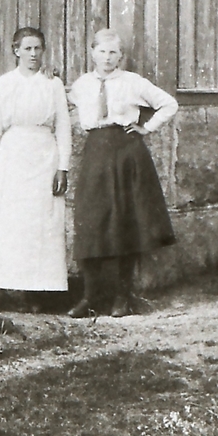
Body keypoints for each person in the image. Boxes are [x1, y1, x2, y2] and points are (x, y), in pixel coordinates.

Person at [67, 29, 177, 320]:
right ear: (92, 53)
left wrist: (146, 128)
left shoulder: (132, 82)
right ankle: (90, 296)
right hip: (95, 152)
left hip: (126, 153)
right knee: (91, 220)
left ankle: (122, 296)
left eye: (113, 52)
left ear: (121, 56)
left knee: (124, 222)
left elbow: (169, 103)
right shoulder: (81, 85)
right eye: (102, 51)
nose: (107, 58)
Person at [0, 27, 70, 312]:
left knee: (39, 225)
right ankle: (0, 288)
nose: (33, 54)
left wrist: (63, 167)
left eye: (38, 48)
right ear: (16, 50)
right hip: (11, 156)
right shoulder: (4, 84)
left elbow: (64, 127)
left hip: (44, 157)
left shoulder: (53, 84)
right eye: (27, 48)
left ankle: (34, 292)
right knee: (6, 222)